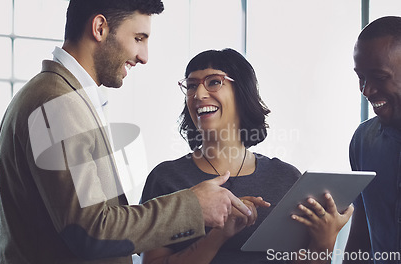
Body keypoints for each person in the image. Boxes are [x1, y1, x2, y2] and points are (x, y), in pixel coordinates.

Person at [0, 1, 253, 263]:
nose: (144, 56)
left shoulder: (62, 97)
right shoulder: (58, 103)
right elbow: (92, 231)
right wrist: (194, 207)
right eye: (138, 38)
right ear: (100, 28)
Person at [140, 48, 353, 263]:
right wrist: (218, 236)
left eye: (213, 82)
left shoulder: (286, 178)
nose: (199, 94)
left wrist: (325, 241)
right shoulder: (166, 179)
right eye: (192, 85)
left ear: (242, 92)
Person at [345, 16, 401, 264]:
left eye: (379, 77)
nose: (366, 90)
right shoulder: (363, 141)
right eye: (361, 77)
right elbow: (361, 235)